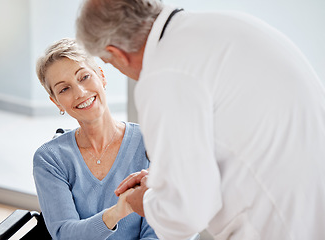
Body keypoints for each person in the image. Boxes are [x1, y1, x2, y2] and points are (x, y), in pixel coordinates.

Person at [76, 0, 325, 239]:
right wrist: (165, 178)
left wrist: (141, 201)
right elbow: (240, 135)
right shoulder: (223, 26)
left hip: (278, 225)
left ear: (116, 54)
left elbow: (185, 216)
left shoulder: (164, 75)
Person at [33, 38, 158, 240]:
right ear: (56, 102)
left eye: (84, 77)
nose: (80, 93)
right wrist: (117, 212)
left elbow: (156, 234)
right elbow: (65, 235)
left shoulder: (150, 142)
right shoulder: (49, 159)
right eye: (64, 89)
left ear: (101, 76)